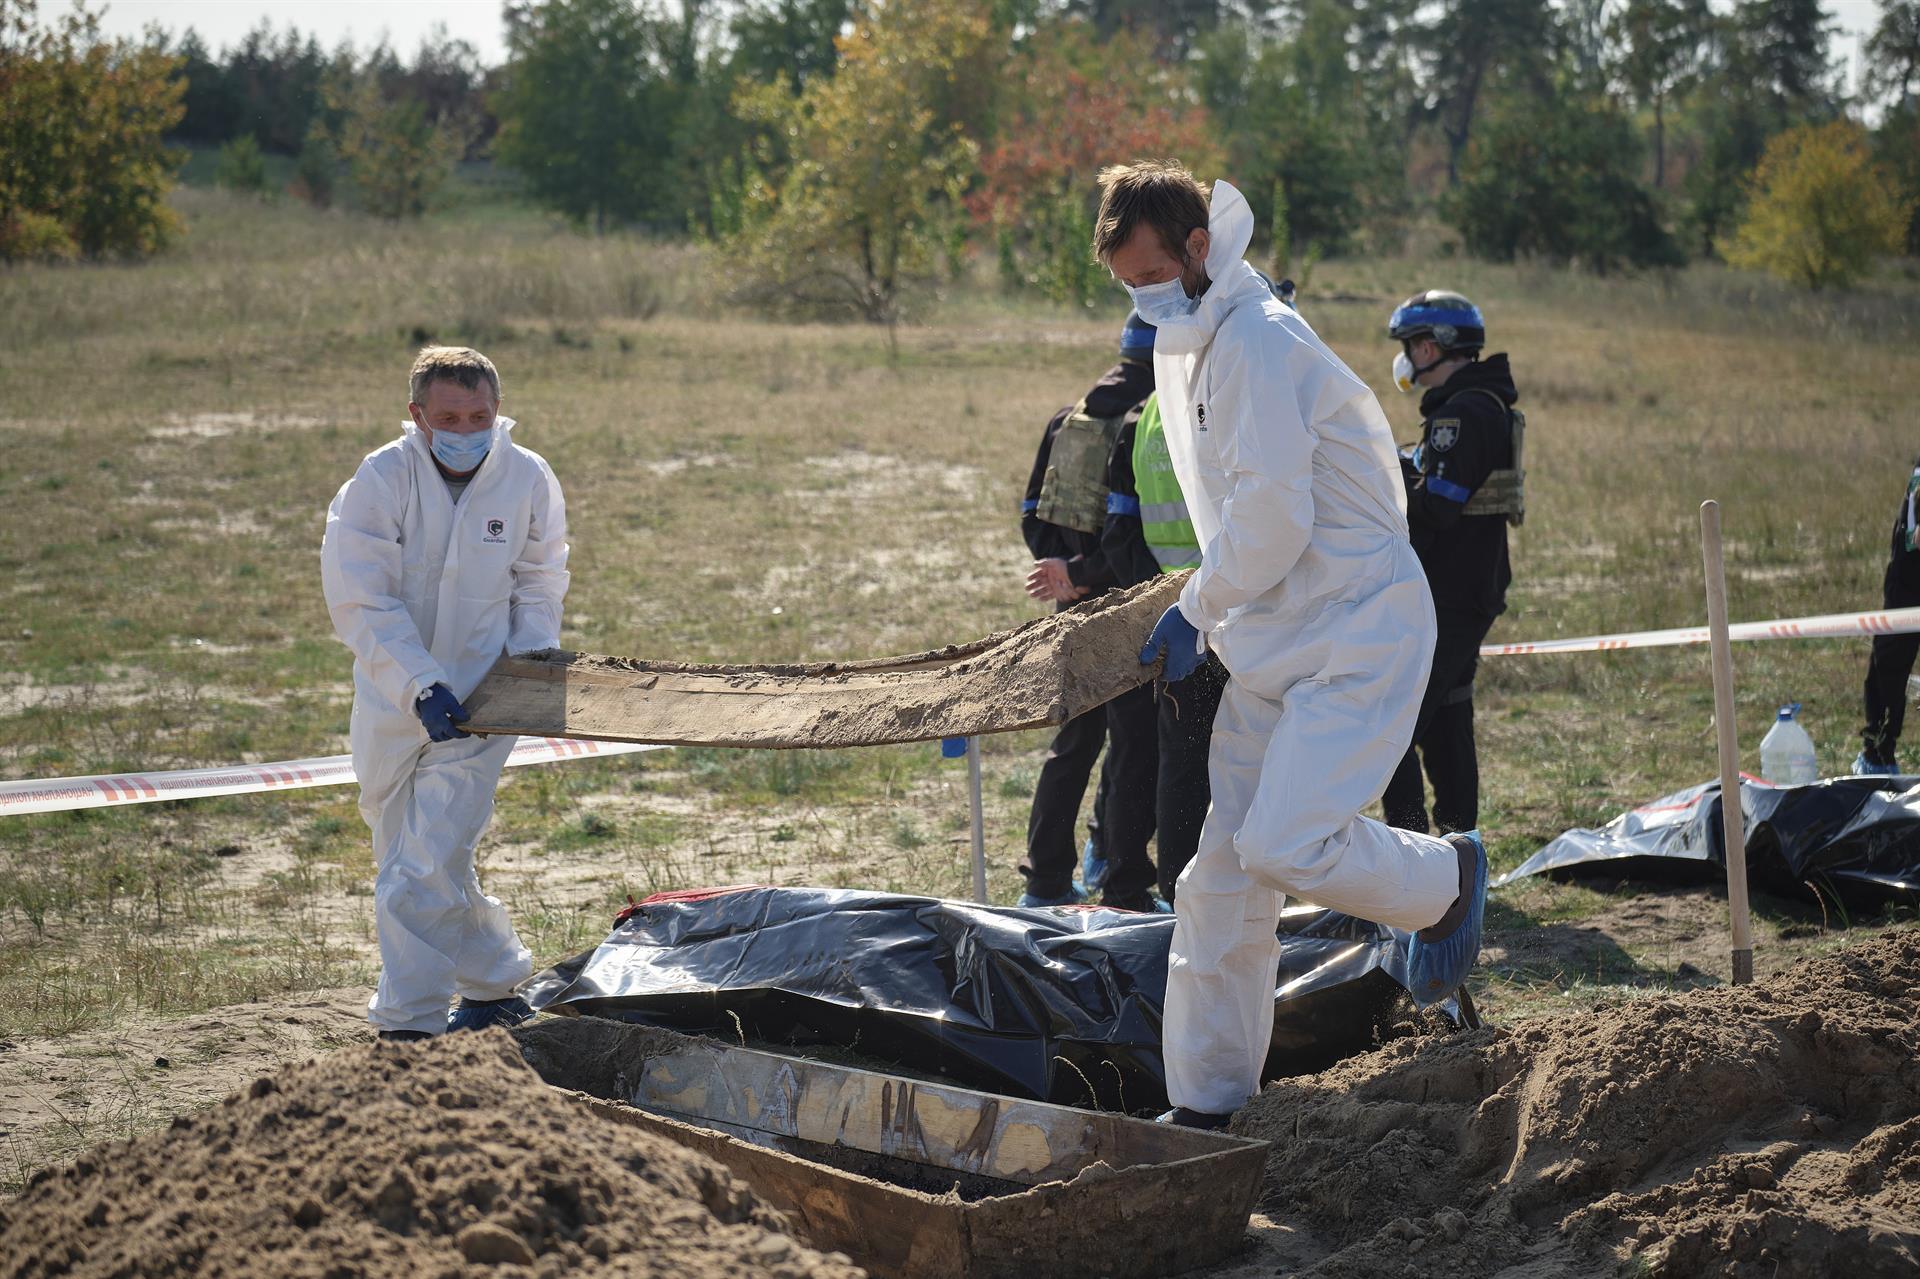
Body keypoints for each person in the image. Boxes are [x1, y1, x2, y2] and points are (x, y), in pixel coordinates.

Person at [1100, 161, 1487, 1128]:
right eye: (1124, 284)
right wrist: (1216, 612)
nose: (1142, 298)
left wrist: (1195, 605)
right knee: (1217, 883)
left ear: (1198, 248)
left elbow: (1272, 515)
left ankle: (1447, 880)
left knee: (1282, 843)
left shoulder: (1259, 341)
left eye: (1152, 273)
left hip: (1356, 629)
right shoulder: (1186, 340)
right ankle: (1210, 1106)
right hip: (1269, 642)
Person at [320, 346, 570, 1041]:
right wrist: (418, 684)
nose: (466, 428)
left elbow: (540, 577)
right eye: (450, 416)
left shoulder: (525, 476)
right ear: (418, 416)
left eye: (479, 414)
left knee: (423, 864)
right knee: (409, 851)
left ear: (497, 411)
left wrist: (525, 668)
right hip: (393, 702)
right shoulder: (380, 479)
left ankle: (410, 1024)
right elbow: (360, 596)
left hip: (485, 705)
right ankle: (493, 982)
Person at [1018, 318, 1162, 912]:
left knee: (1075, 739)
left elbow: (1033, 511)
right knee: (1137, 746)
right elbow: (1137, 531)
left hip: (1067, 602)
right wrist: (1086, 571)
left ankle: (1045, 880)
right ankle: (1125, 886)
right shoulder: (1154, 418)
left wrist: (1060, 571)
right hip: (1128, 599)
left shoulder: (1067, 416)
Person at [1378, 291, 1523, 836]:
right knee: (1447, 718)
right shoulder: (1477, 404)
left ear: (1433, 346)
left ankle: (1409, 847)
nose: (1407, 359)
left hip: (1451, 593)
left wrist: (1387, 478)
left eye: (1411, 346)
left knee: (1392, 725)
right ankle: (1460, 846)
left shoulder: (1462, 414)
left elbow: (1437, 507)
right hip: (1464, 587)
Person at [1102, 375, 1223, 909]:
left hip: (1174, 621)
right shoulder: (1230, 401)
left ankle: (1180, 899)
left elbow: (1119, 530)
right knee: (1245, 765)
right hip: (1237, 613)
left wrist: (1162, 601)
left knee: (1182, 766)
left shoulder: (1144, 416)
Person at [1854, 456, 1920, 775]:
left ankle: (1879, 758)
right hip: (1904, 586)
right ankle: (1878, 755)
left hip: (1909, 589)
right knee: (1883, 672)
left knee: (1887, 670)